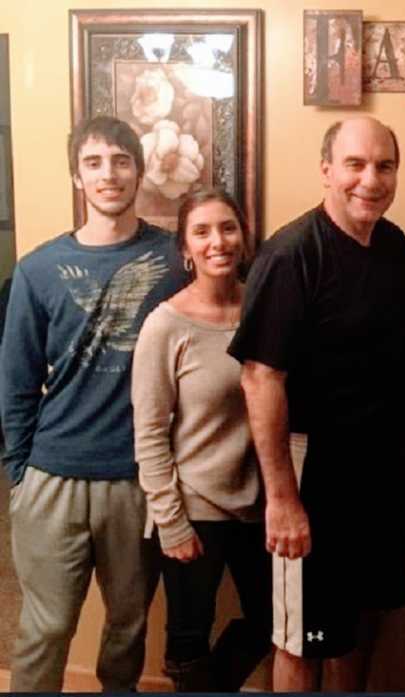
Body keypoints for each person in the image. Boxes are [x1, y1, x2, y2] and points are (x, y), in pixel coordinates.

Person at [227, 116, 405, 692]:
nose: (371, 179)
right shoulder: (291, 256)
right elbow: (260, 380)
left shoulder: (393, 246)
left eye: (384, 166)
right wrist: (284, 500)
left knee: (356, 628)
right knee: (302, 639)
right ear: (326, 171)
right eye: (355, 165)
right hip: (311, 475)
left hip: (378, 477)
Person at [0, 116, 185, 691]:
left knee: (128, 629)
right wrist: (19, 473)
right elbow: (15, 380)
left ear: (140, 169)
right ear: (77, 175)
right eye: (95, 162)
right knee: (46, 629)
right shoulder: (38, 269)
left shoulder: (179, 259)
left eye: (121, 161)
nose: (109, 174)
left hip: (138, 482)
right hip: (52, 477)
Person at [131, 189, 271, 691]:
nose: (219, 242)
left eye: (228, 228)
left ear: (243, 235)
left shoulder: (264, 308)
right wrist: (169, 522)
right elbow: (148, 433)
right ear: (186, 249)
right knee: (187, 639)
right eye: (203, 231)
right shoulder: (165, 326)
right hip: (193, 509)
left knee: (272, 623)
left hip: (261, 505)